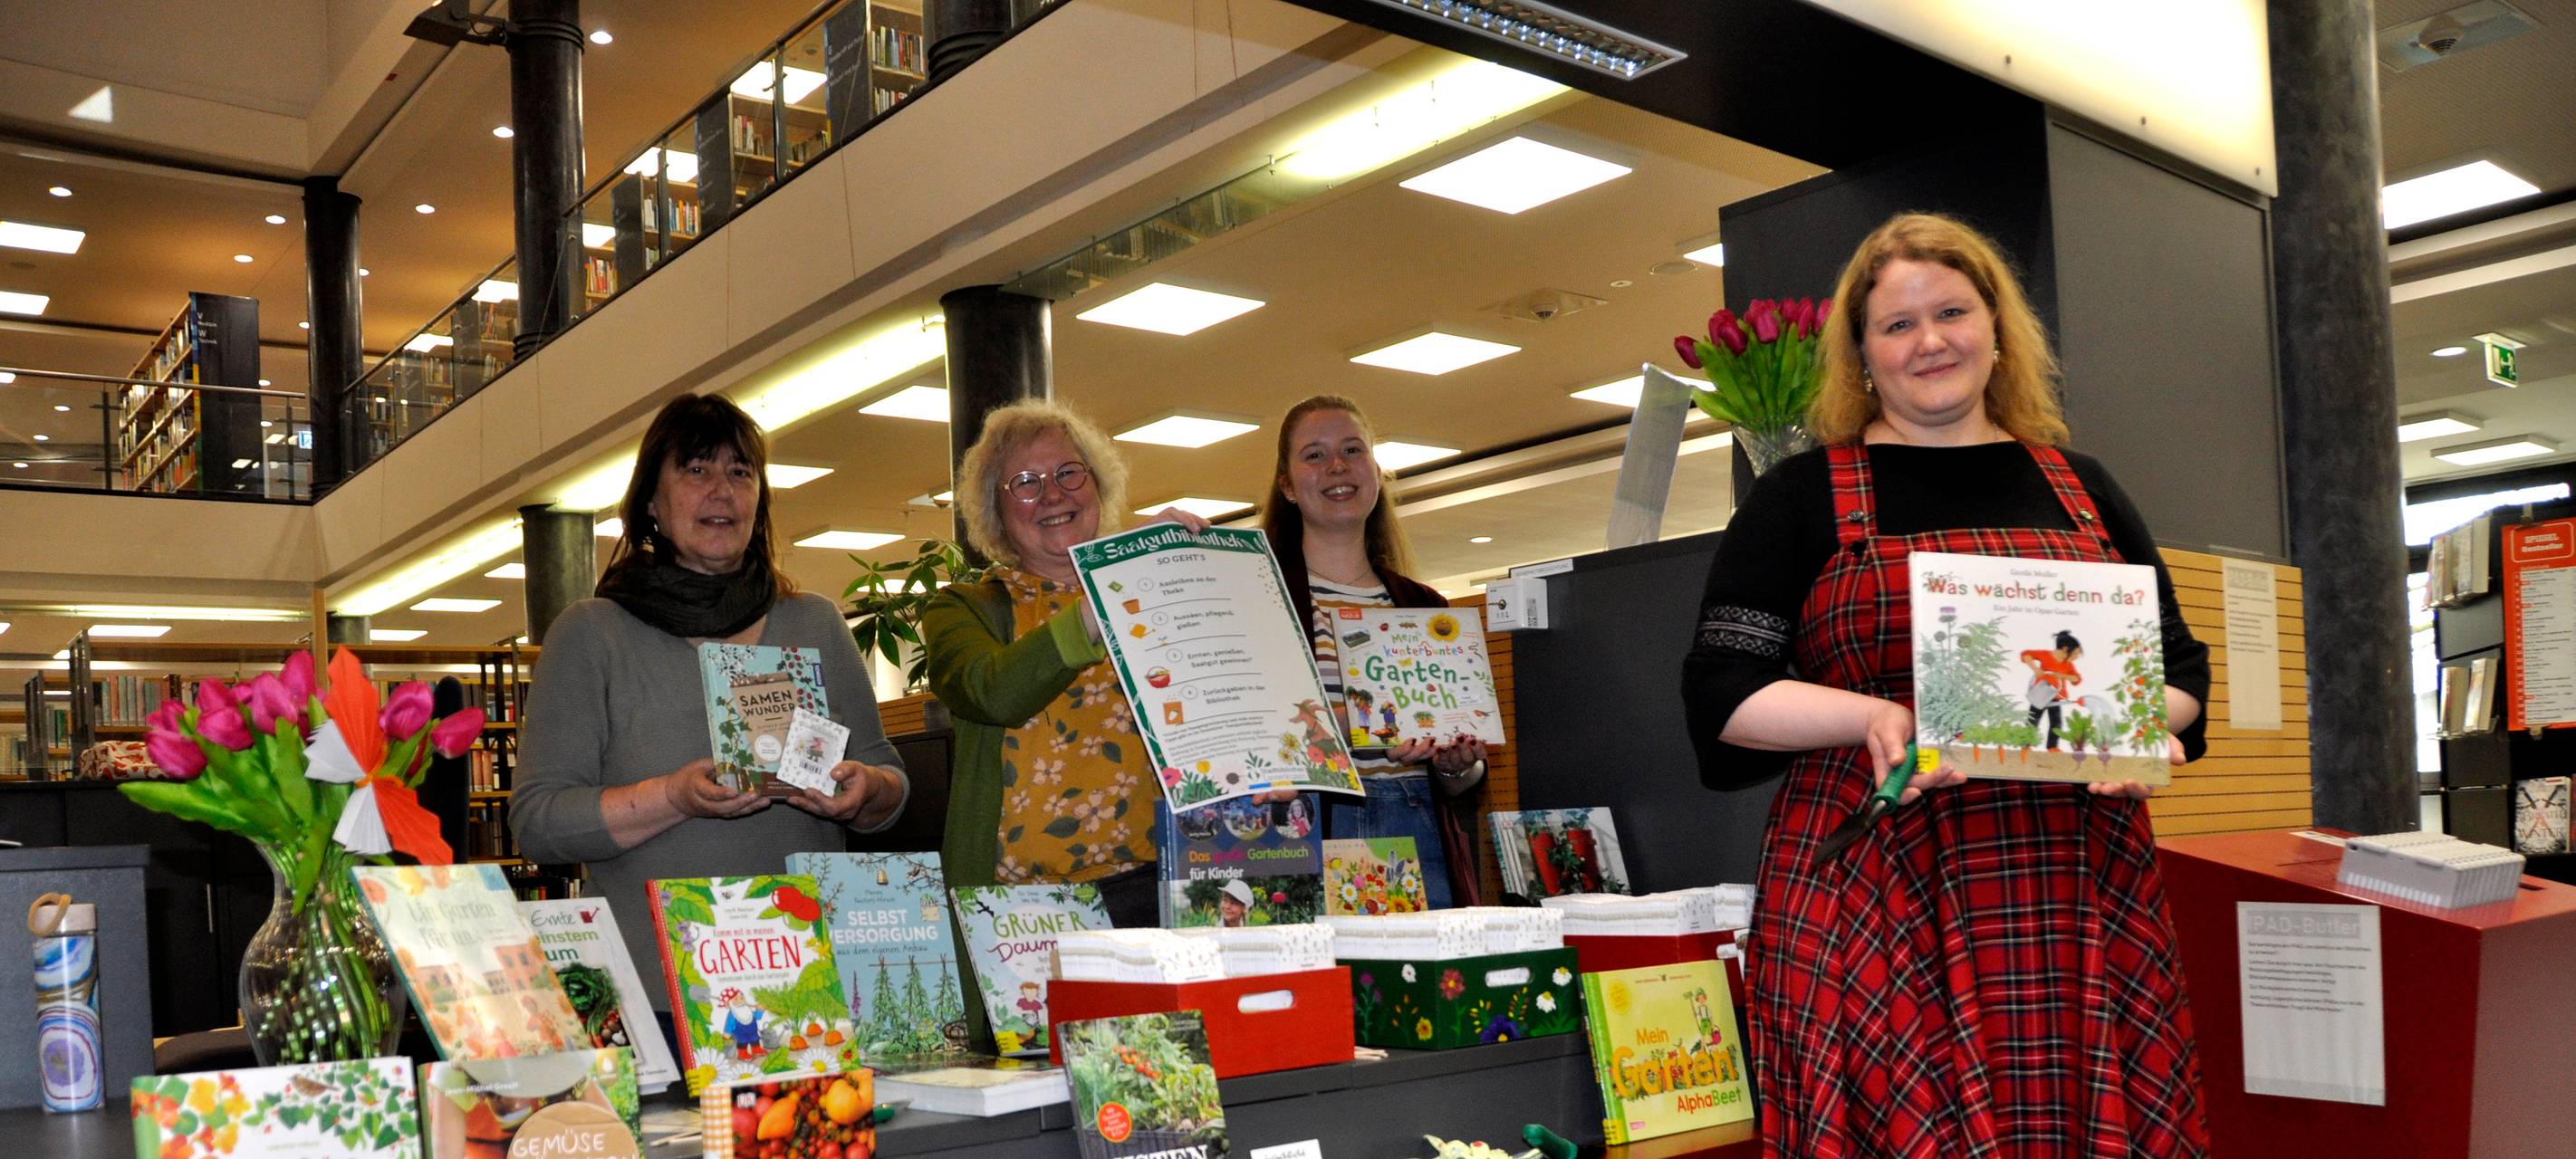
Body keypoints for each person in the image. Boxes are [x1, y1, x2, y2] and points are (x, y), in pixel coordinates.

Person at [1680, 213, 2212, 1156]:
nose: (1930, 341)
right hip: (1874, 884)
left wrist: (2138, 731)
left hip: (2069, 888)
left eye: (1952, 312)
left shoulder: (2082, 486)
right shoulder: (1801, 495)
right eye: (1897, 323)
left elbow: (2179, 674)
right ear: (1862, 355)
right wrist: (1878, 714)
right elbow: (1724, 691)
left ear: (1998, 329)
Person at [513, 393, 908, 1013]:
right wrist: (673, 797)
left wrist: (865, 791)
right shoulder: (593, 633)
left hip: (812, 987)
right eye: (696, 470)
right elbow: (539, 822)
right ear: (651, 502)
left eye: (739, 472)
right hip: (663, 993)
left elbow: (889, 784)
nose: (721, 490)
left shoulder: (816, 624)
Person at [923, 398, 1211, 921]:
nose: (1052, 494)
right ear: (997, 509)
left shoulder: (1159, 591)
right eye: (1026, 483)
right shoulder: (963, 607)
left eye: (1068, 473)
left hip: (1168, 884)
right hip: (1027, 910)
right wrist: (1103, 600)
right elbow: (992, 691)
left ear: (1098, 486)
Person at [1260, 395, 1485, 909]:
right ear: (1288, 485)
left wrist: (1456, 763)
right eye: (1314, 455)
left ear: (1377, 473)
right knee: (1337, 987)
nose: (1336, 466)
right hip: (1310, 829)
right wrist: (1349, 724)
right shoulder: (1261, 596)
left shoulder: (1424, 606)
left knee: (1421, 985)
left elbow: (1460, 783)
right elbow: (1244, 734)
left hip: (1417, 825)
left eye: (1352, 450)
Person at [2023, 629, 2084, 749]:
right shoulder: (2045, 655)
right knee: (2033, 721)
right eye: (2075, 654)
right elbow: (2026, 655)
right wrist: (2036, 669)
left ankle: (2052, 747)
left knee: (2056, 723)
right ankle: (2026, 744)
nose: (2076, 657)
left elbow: (2077, 678)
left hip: (2056, 697)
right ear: (2066, 649)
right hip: (2040, 694)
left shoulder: (2068, 665)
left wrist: (2061, 676)